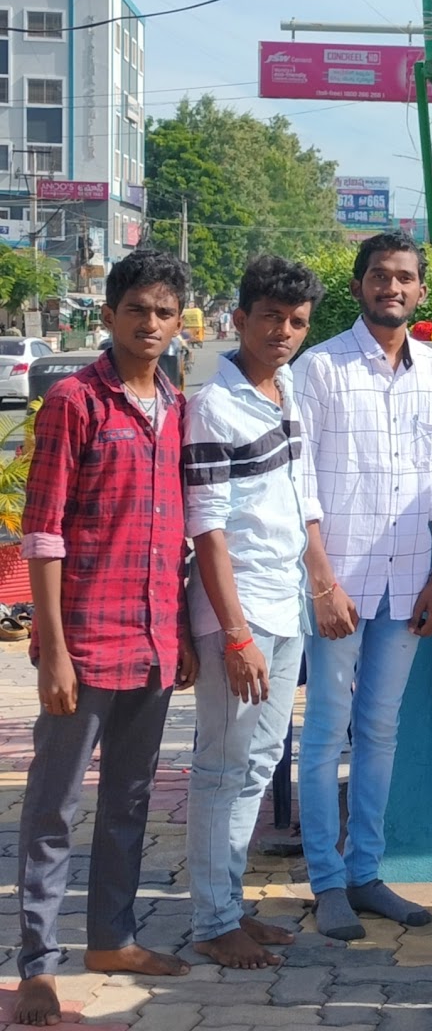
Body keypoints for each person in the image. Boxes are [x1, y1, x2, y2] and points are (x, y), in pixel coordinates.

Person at [15, 249, 196, 1028]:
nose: (150, 324)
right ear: (110, 314)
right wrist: (52, 648)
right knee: (54, 809)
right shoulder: (76, 403)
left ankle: (112, 939)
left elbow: (180, 534)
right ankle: (36, 965)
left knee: (128, 799)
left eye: (163, 311)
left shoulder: (175, 406)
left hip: (153, 639)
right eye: (137, 310)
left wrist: (183, 630)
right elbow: (43, 533)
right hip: (83, 643)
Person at [294, 233, 432, 942]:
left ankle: (366, 871)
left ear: (421, 291)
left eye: (403, 278)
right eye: (378, 276)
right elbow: (298, 485)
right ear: (360, 284)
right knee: (327, 729)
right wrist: (322, 582)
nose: (390, 287)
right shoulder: (320, 370)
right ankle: (326, 882)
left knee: (381, 727)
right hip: (340, 584)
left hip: (408, 579)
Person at [184, 255, 324, 968]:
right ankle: (211, 922)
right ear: (237, 320)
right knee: (222, 766)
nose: (283, 332)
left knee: (261, 759)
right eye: (270, 317)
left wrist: (319, 582)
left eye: (296, 321)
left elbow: (301, 498)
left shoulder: (287, 389)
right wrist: (235, 635)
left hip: (285, 601)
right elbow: (206, 528)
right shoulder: (215, 405)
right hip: (238, 613)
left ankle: (228, 906)